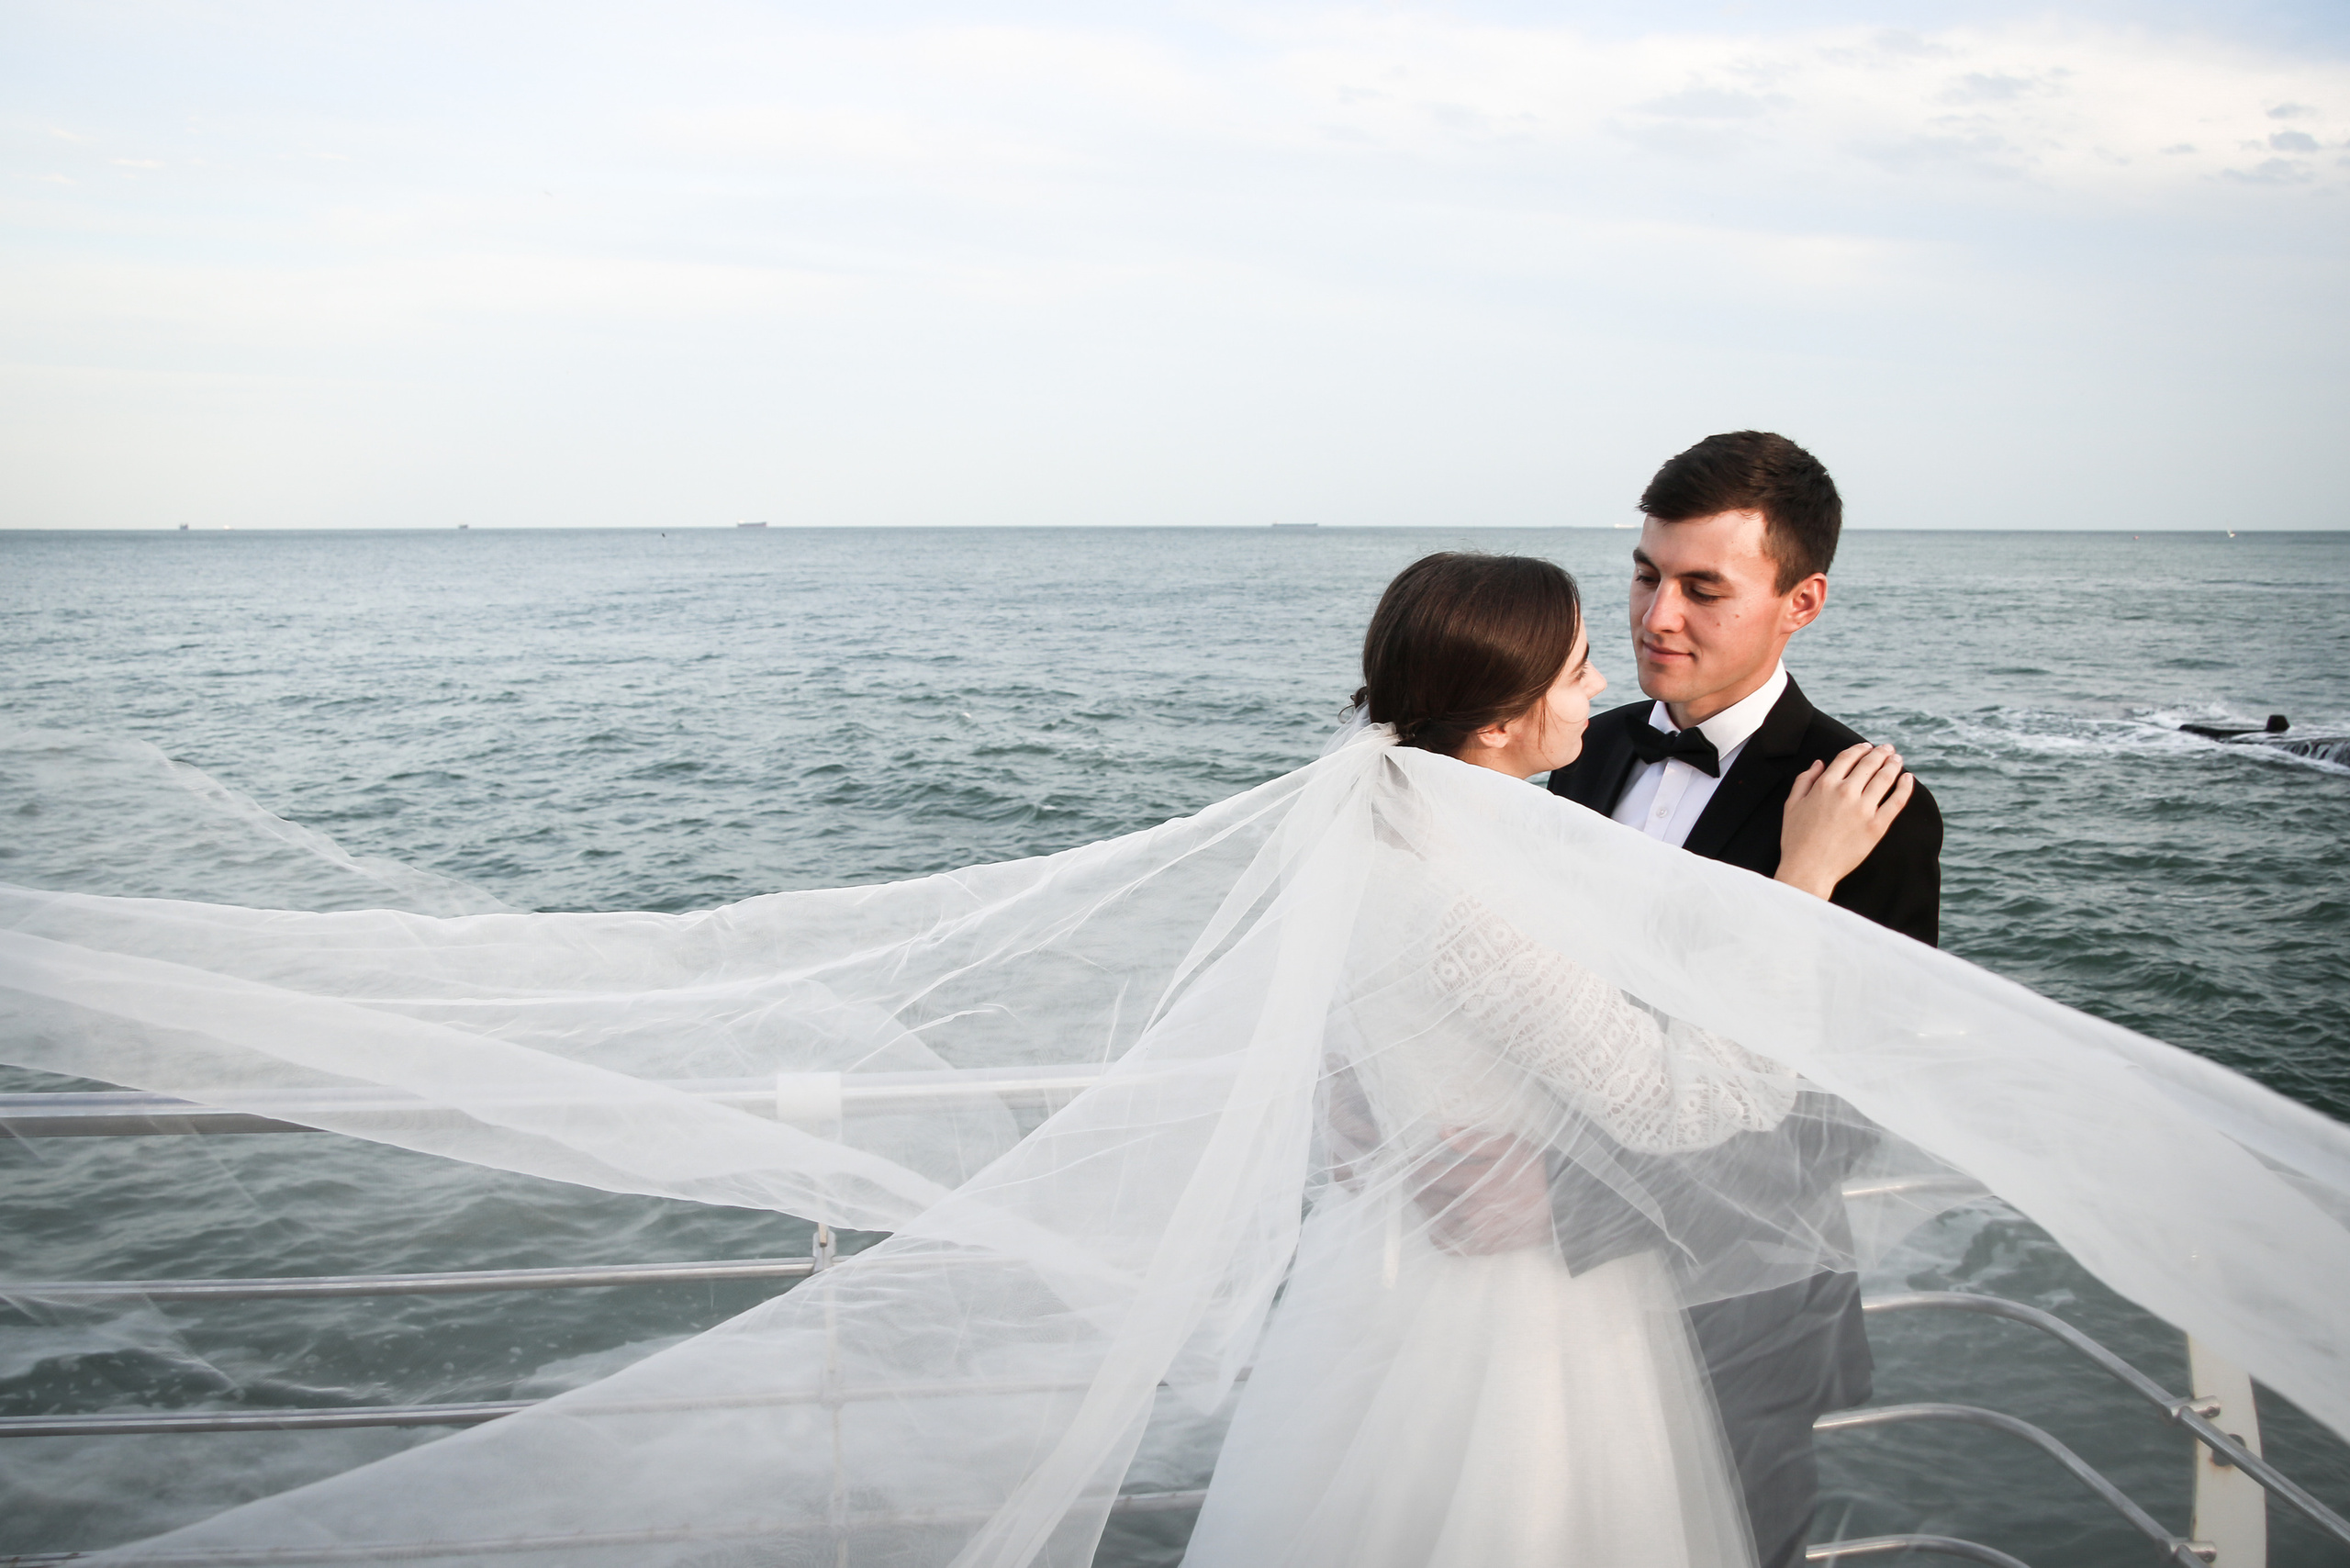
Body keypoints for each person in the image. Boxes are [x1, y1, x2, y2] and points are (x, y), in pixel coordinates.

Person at [1182, 553, 1908, 1567]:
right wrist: (1801, 880)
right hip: (1519, 1325)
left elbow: (1857, 1094)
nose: (1607, 679)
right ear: (1493, 722)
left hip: (1391, 1284)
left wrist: (1365, 1088)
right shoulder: (1477, 887)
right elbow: (1684, 1103)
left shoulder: (1382, 824)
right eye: (1575, 668)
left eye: (1700, 586)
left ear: (1802, 598)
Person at [1547, 431, 1943, 1568]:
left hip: (1741, 1305)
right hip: (1544, 1298)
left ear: (1800, 600)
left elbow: (1836, 1110)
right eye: (1642, 573)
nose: (1653, 616)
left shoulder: (1869, 807)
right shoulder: (1581, 746)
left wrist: (1566, 1212)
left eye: (1701, 588)